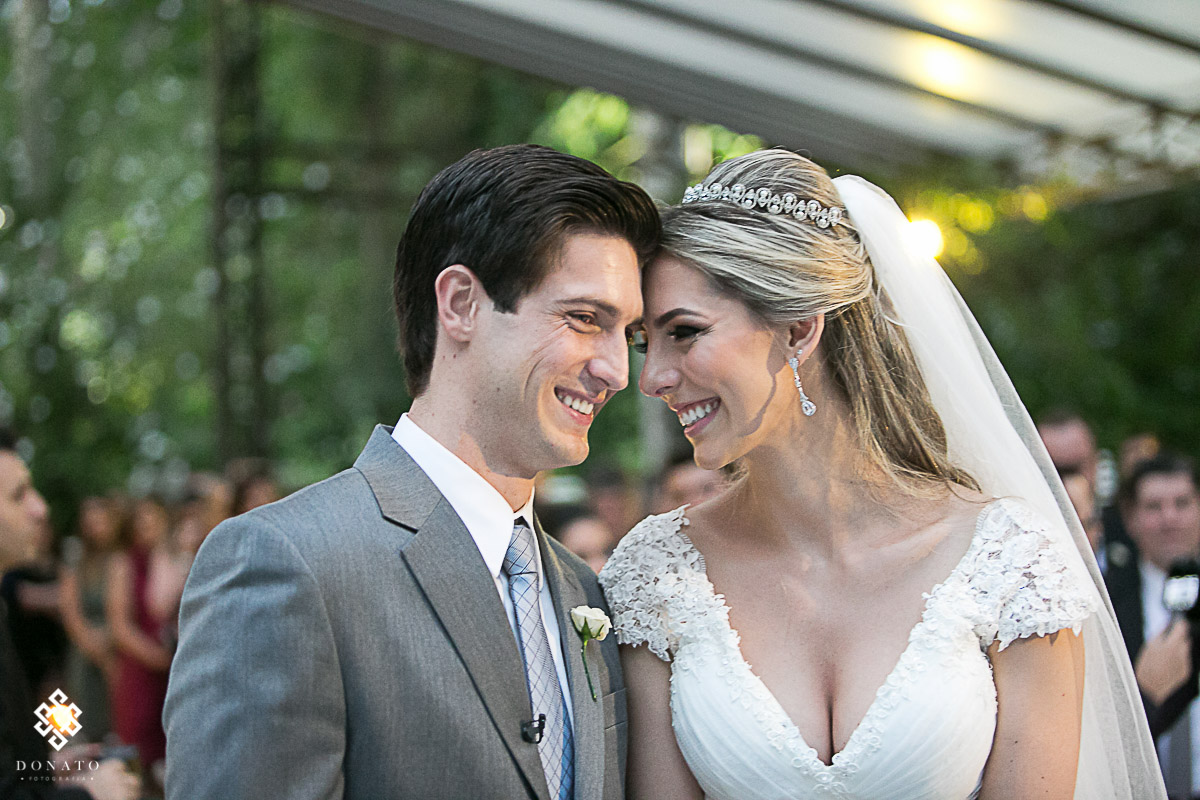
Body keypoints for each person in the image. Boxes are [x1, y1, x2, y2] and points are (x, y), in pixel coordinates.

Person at [599, 150, 1163, 799]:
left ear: (799, 330)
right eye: (647, 343)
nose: (652, 379)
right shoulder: (655, 574)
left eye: (685, 333)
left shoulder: (1011, 562)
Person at [164, 144, 659, 799]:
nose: (618, 371)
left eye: (627, 334)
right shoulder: (286, 565)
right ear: (460, 304)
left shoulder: (584, 593)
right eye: (584, 319)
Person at [0, 429, 140, 800]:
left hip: (65, 662)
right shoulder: (70, 567)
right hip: (60, 667)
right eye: (18, 495)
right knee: (74, 722)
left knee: (87, 736)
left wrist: (42, 771)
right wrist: (90, 796)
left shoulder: (108, 561)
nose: (41, 510)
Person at [1107, 454, 1200, 796]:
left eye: (1182, 503)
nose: (1170, 518)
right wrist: (1145, 693)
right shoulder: (1105, 603)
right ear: (1130, 519)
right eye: (1154, 507)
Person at [60, 496, 121, 744]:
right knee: (86, 727)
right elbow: (71, 613)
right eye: (90, 521)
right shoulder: (76, 562)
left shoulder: (121, 558)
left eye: (101, 519)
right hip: (85, 654)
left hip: (118, 649)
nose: (96, 526)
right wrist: (97, 651)